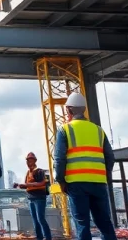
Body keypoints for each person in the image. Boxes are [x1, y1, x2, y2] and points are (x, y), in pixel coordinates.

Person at [53, 92, 117, 240]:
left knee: (82, 225)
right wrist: (104, 176)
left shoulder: (65, 130)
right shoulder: (98, 130)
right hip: (99, 183)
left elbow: (59, 159)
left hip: (77, 184)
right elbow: (110, 157)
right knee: (105, 224)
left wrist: (61, 180)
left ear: (68, 110)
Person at [16, 152, 52, 240]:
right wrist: (21, 185)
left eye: (31, 160)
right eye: (28, 161)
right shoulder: (28, 173)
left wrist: (28, 185)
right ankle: (39, 237)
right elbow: (27, 184)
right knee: (35, 221)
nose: (29, 162)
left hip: (39, 198)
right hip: (31, 199)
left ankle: (48, 237)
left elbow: (44, 182)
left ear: (35, 161)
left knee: (41, 219)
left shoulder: (40, 171)